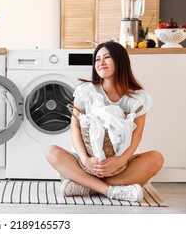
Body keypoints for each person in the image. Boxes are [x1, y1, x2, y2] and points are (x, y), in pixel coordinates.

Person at [45, 41, 164, 202]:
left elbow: (137, 136)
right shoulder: (85, 91)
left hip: (119, 164)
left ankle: (87, 186)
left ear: (120, 61)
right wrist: (86, 160)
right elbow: (75, 128)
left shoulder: (138, 98)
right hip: (86, 162)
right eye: (97, 59)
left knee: (156, 158)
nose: (100, 63)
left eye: (106, 58)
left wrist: (119, 161)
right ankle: (110, 190)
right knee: (51, 152)